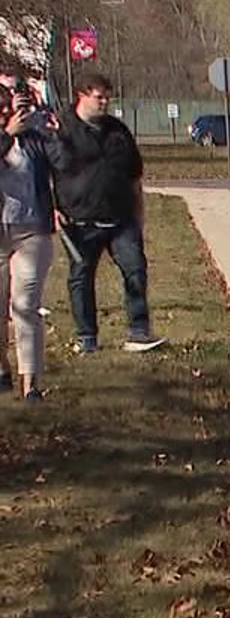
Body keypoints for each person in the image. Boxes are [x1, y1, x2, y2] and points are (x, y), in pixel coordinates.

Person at [44, 71, 164, 354]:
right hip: (79, 220)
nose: (104, 102)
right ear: (82, 95)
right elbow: (45, 172)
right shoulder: (60, 130)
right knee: (81, 277)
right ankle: (87, 337)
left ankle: (139, 331)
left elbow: (135, 175)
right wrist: (52, 208)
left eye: (108, 97)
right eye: (99, 97)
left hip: (121, 218)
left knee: (135, 269)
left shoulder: (117, 130)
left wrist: (139, 212)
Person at [1, 75, 55, 401]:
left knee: (25, 306)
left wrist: (46, 127)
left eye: (15, 100)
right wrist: (7, 136)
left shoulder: (34, 135)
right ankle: (3, 369)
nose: (11, 108)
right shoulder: (7, 135)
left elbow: (61, 162)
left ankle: (30, 383)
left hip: (32, 230)